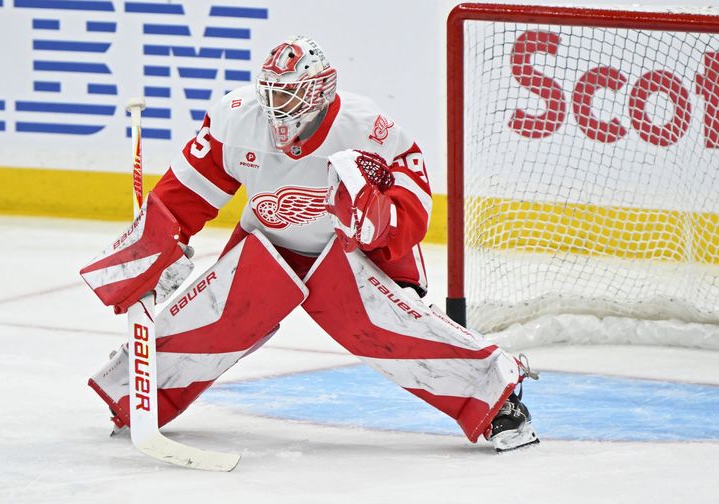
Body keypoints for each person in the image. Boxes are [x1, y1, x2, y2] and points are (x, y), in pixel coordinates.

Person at [82, 35, 539, 452]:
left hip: (349, 250)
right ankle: (134, 395)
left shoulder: (369, 129)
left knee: (392, 333)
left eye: (289, 93)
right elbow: (184, 194)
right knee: (215, 317)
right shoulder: (237, 117)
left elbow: (413, 210)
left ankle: (499, 400)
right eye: (272, 92)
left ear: (319, 91)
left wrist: (376, 223)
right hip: (268, 239)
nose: (276, 105)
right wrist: (154, 252)